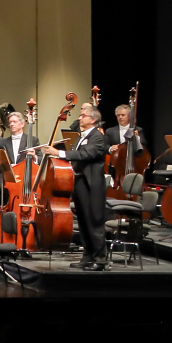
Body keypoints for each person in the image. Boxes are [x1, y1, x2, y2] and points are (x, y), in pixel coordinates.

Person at [40, 103, 108, 271]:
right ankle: (87, 256)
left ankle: (100, 259)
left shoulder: (97, 136)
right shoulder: (82, 136)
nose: (79, 117)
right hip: (79, 184)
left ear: (92, 120)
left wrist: (59, 153)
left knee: (93, 222)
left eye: (83, 115)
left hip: (92, 186)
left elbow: (87, 154)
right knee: (84, 222)